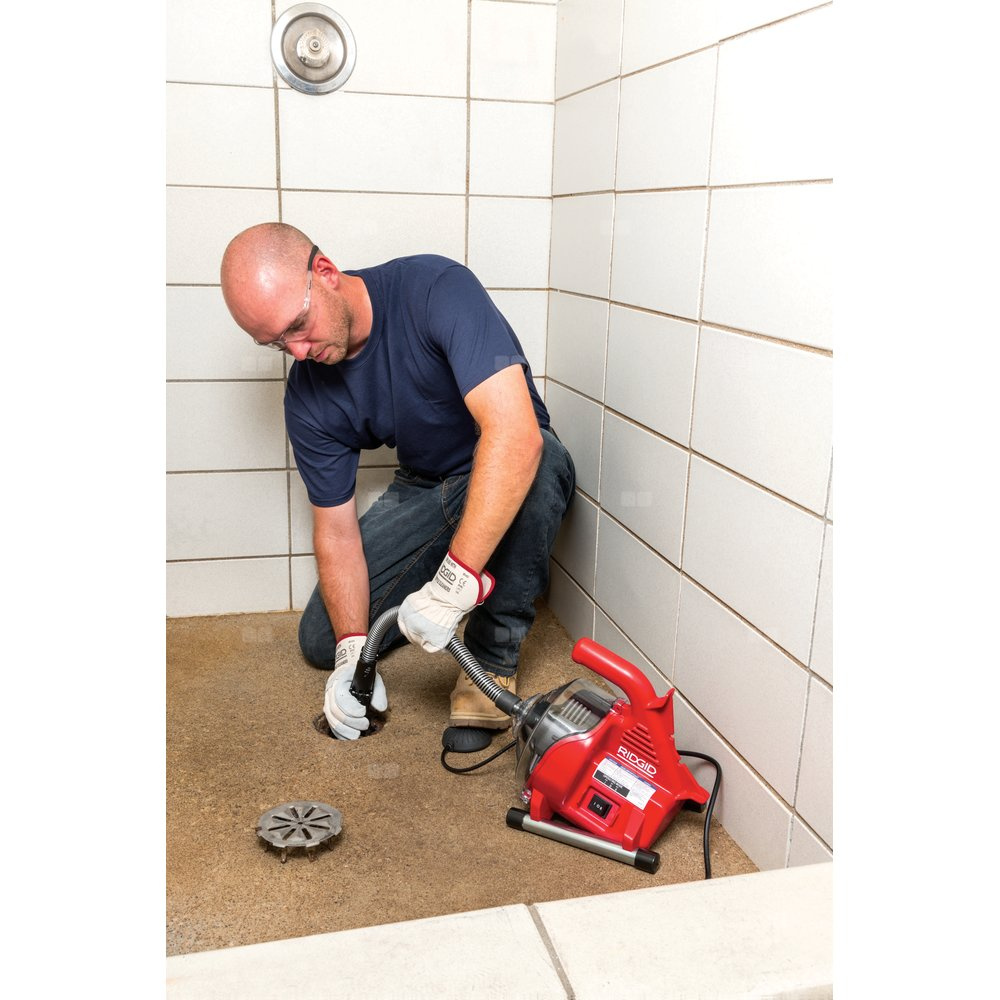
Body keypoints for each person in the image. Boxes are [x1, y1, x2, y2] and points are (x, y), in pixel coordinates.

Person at [220, 222, 575, 749]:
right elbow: (336, 531)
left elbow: (516, 436)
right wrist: (351, 656)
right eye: (276, 344)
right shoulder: (307, 395)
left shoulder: (436, 288)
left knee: (542, 458)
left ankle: (490, 660)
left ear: (325, 272)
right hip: (426, 488)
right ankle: (456, 577)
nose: (298, 351)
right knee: (322, 639)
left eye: (298, 325)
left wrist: (452, 587)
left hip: (511, 467)